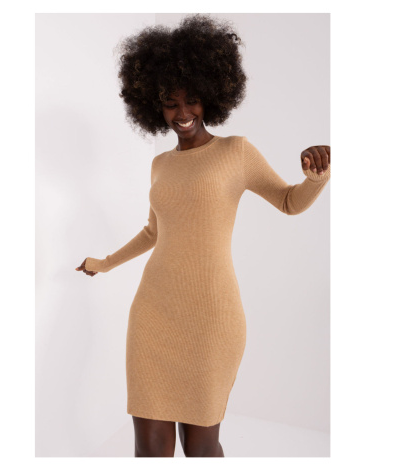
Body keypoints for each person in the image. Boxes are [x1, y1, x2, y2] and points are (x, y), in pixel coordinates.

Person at [76, 14, 330, 457]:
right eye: (170, 103)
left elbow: (289, 202)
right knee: (149, 450)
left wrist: (315, 179)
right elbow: (155, 230)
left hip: (212, 317)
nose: (182, 113)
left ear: (211, 95)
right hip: (153, 314)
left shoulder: (236, 152)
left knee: (201, 448)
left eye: (191, 100)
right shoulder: (161, 164)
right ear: (154, 106)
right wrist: (105, 263)